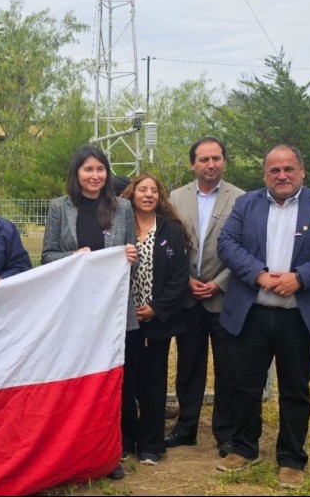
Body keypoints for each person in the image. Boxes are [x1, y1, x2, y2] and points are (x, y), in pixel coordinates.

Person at [215, 145, 310, 490]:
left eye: (289, 169)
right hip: (252, 313)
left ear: (302, 171)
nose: (282, 176)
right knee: (244, 386)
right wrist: (258, 274)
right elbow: (228, 244)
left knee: (295, 388)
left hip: (298, 318)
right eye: (274, 170)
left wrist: (300, 277)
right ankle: (245, 449)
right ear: (265, 175)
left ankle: (291, 459)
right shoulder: (246, 204)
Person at [41, 145, 138, 480]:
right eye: (88, 170)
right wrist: (74, 256)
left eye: (100, 169)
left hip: (112, 310)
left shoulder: (123, 207)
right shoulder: (58, 207)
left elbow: (129, 258)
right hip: (74, 310)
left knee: (111, 379)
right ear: (77, 173)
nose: (95, 176)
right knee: (80, 380)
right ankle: (76, 448)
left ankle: (109, 452)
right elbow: (47, 255)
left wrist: (129, 255)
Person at [166, 136, 244, 458]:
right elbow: (169, 246)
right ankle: (186, 428)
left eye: (216, 158)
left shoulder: (242, 199)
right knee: (189, 366)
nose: (211, 165)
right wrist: (185, 281)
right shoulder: (174, 197)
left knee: (228, 368)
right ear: (192, 164)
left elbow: (247, 250)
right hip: (188, 298)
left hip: (223, 297)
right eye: (204, 159)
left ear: (224, 161)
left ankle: (224, 433)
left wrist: (220, 283)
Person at [121, 173, 190, 466]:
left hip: (156, 319)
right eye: (142, 189)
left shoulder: (172, 231)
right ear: (132, 194)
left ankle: (150, 444)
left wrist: (155, 308)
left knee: (154, 381)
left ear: (160, 197)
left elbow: (179, 278)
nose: (148, 194)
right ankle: (125, 440)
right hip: (123, 320)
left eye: (154, 190)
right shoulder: (118, 227)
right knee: (125, 382)